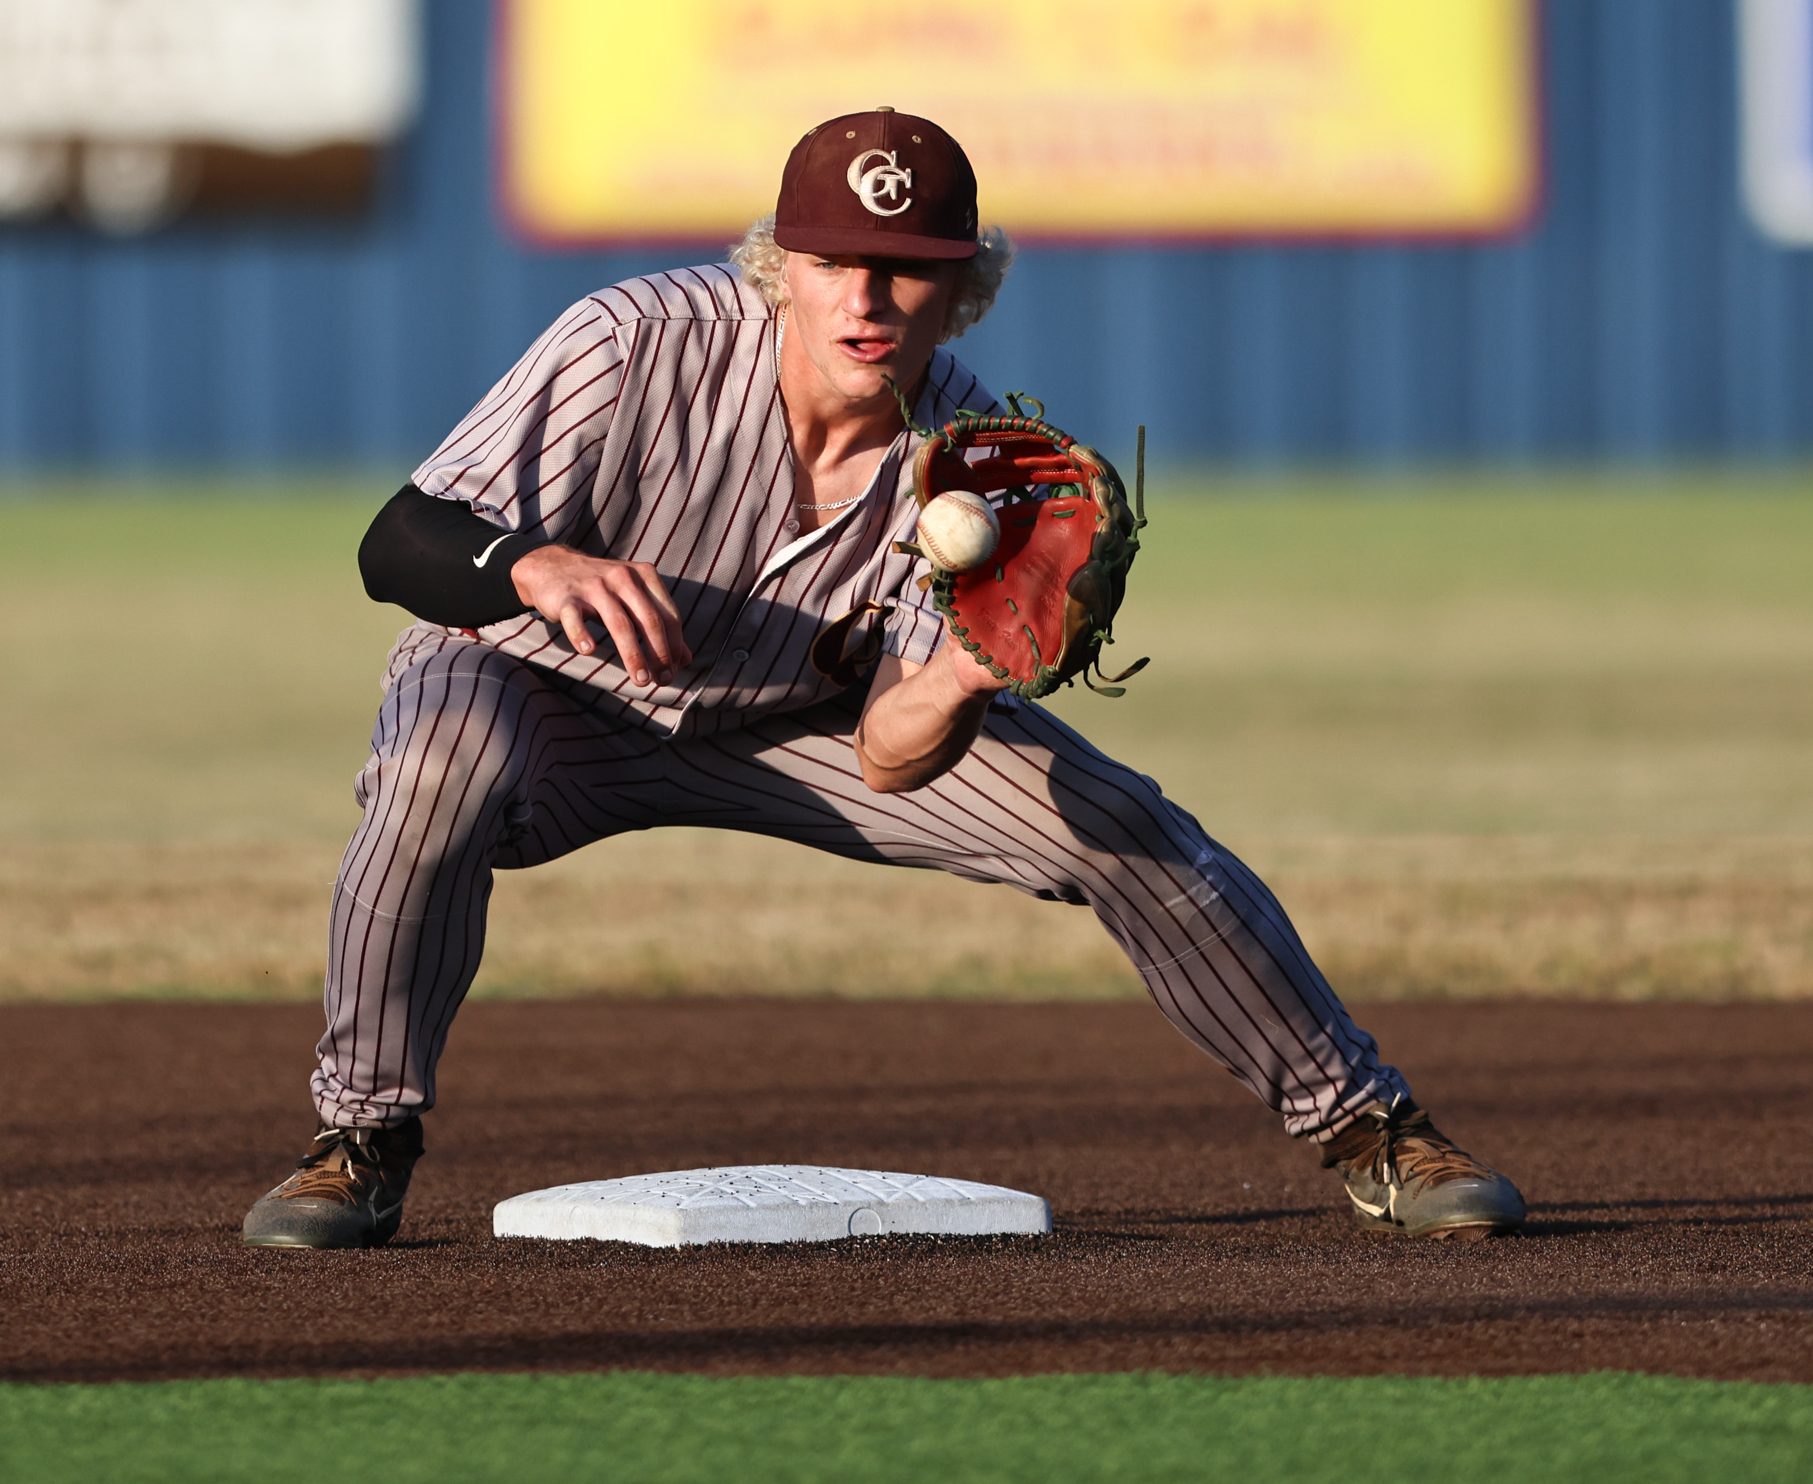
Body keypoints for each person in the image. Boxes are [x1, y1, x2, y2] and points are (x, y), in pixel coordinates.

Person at [240, 109, 1526, 1249]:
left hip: (796, 722)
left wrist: (964, 674)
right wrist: (527, 567)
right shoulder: (634, 339)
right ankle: (359, 1141)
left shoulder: (970, 469)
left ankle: (1374, 1130)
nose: (867, 295)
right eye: (834, 260)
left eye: (907, 269)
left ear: (962, 289)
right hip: (543, 689)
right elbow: (396, 542)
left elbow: (888, 756)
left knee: (1124, 825)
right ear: (777, 266)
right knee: (433, 766)